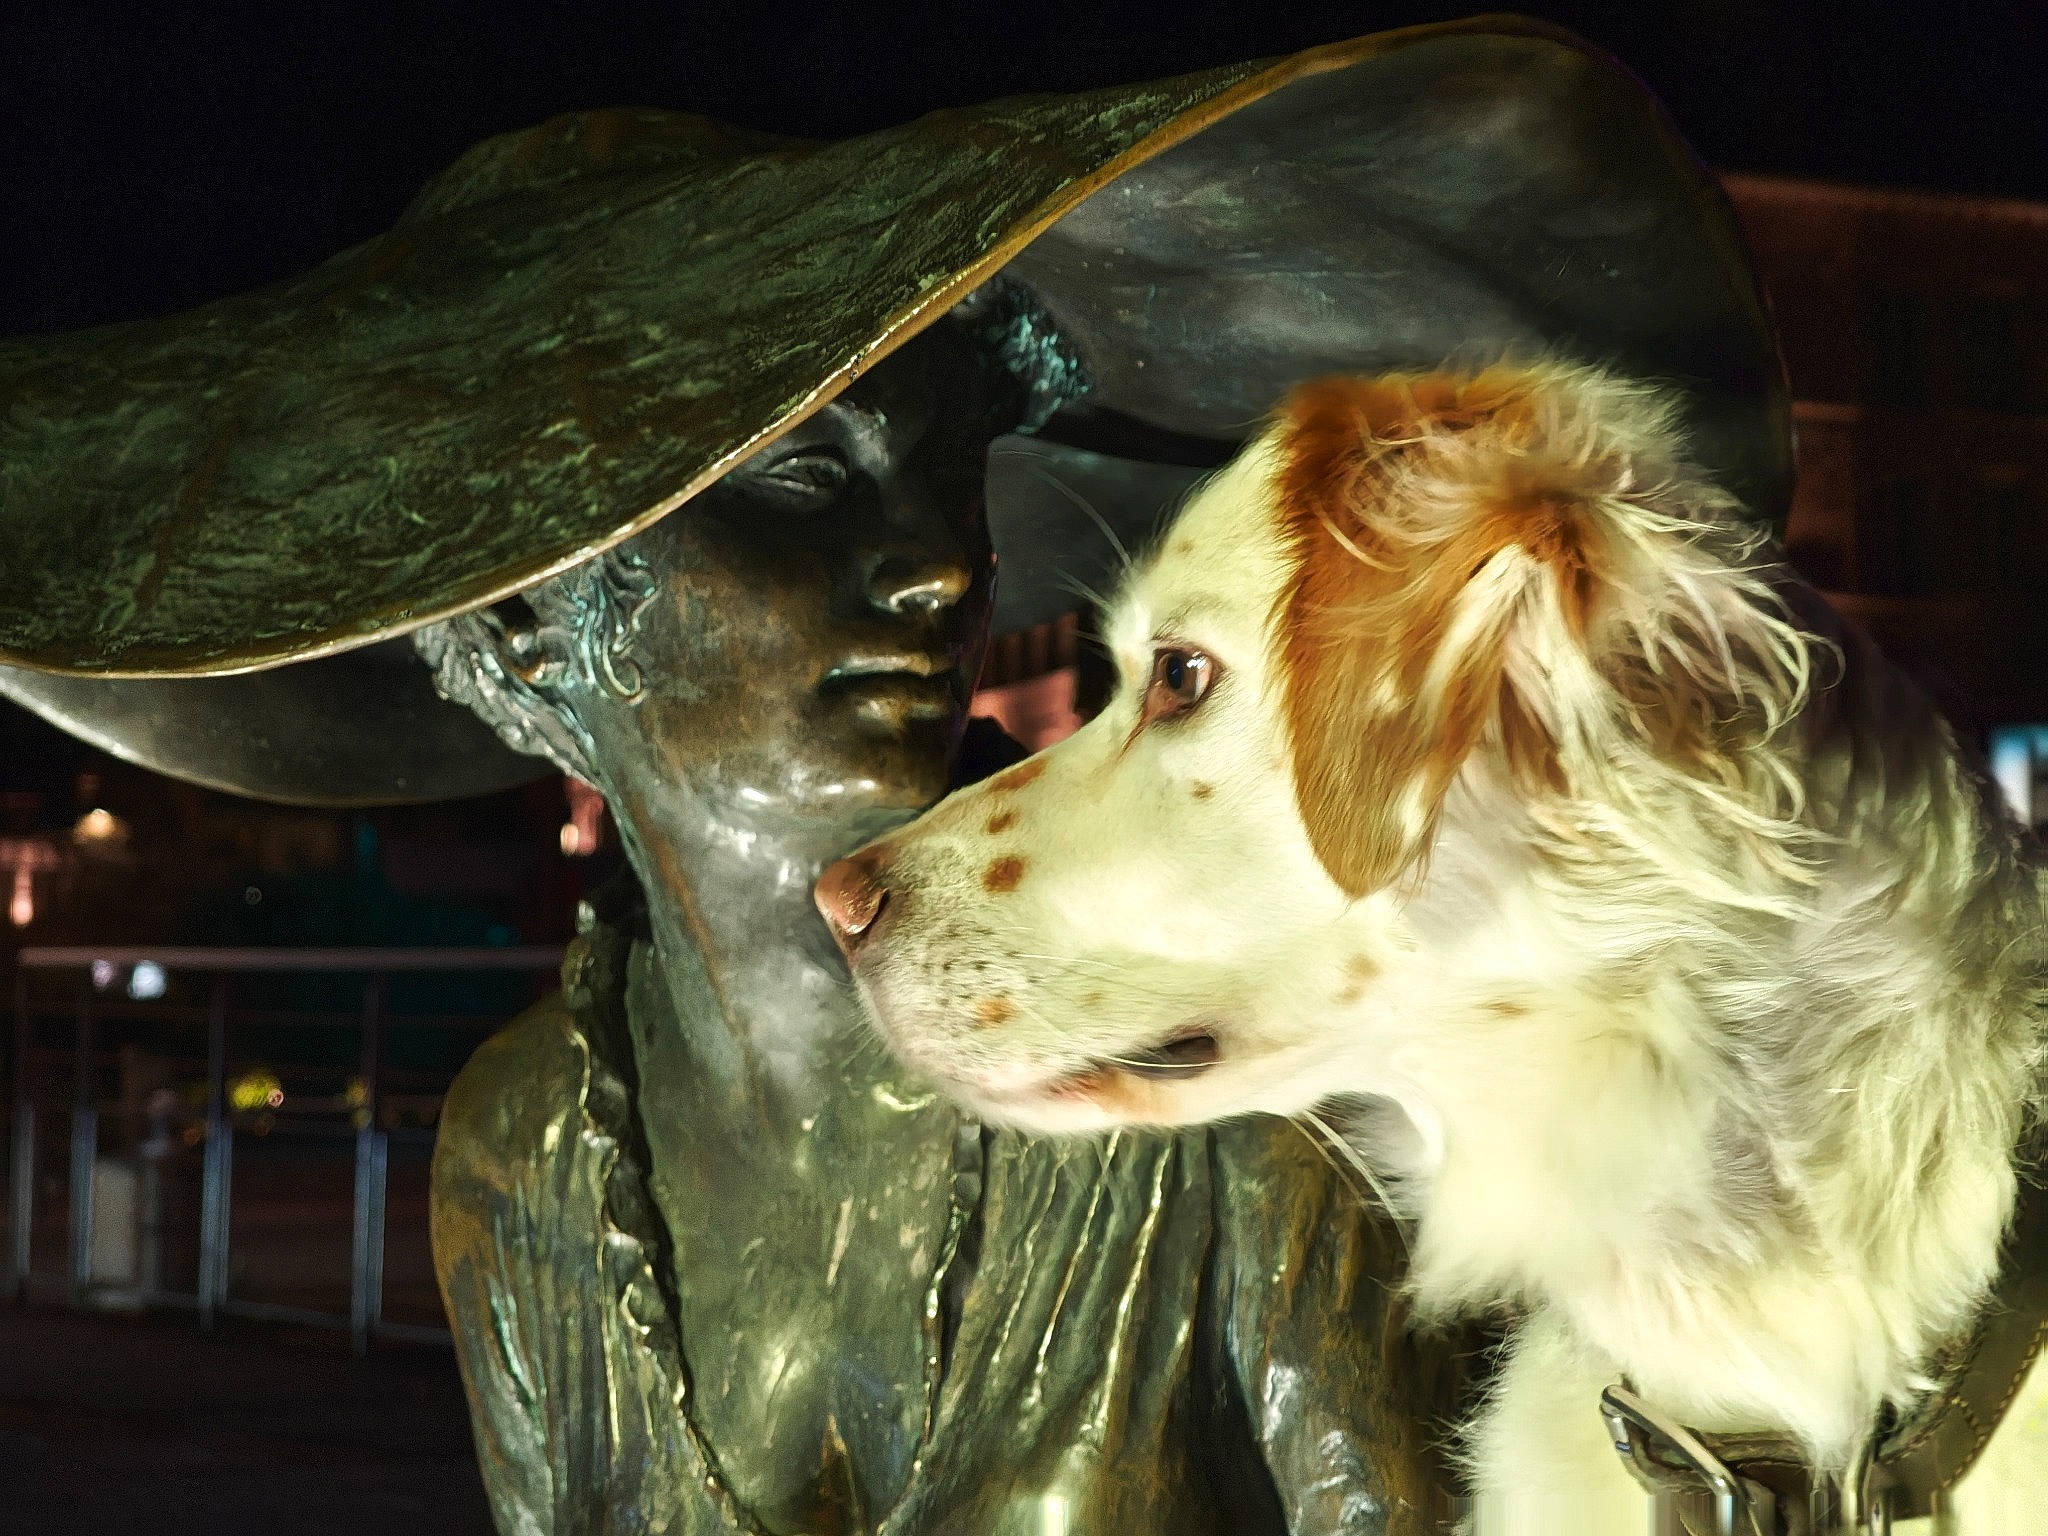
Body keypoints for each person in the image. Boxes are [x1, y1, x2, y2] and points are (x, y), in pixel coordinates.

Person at [0, 19, 1788, 1531]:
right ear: (542, 638)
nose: (939, 561)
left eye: (943, 480)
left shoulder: (1209, 1087)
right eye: (802, 481)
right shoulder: (527, 1150)